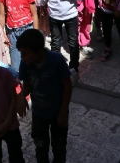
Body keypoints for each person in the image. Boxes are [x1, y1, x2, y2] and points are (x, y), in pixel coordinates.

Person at [15, 28, 72, 163]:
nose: (22, 57)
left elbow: (68, 86)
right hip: (39, 114)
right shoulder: (26, 63)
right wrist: (21, 96)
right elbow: (27, 85)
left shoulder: (56, 60)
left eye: (25, 53)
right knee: (40, 147)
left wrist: (63, 112)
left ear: (38, 50)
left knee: (59, 148)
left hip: (57, 112)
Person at [42, 0, 84, 83]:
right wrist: (41, 5)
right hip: (54, 14)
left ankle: (74, 68)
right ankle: (56, 68)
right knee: (55, 43)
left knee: (73, 42)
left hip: (71, 14)